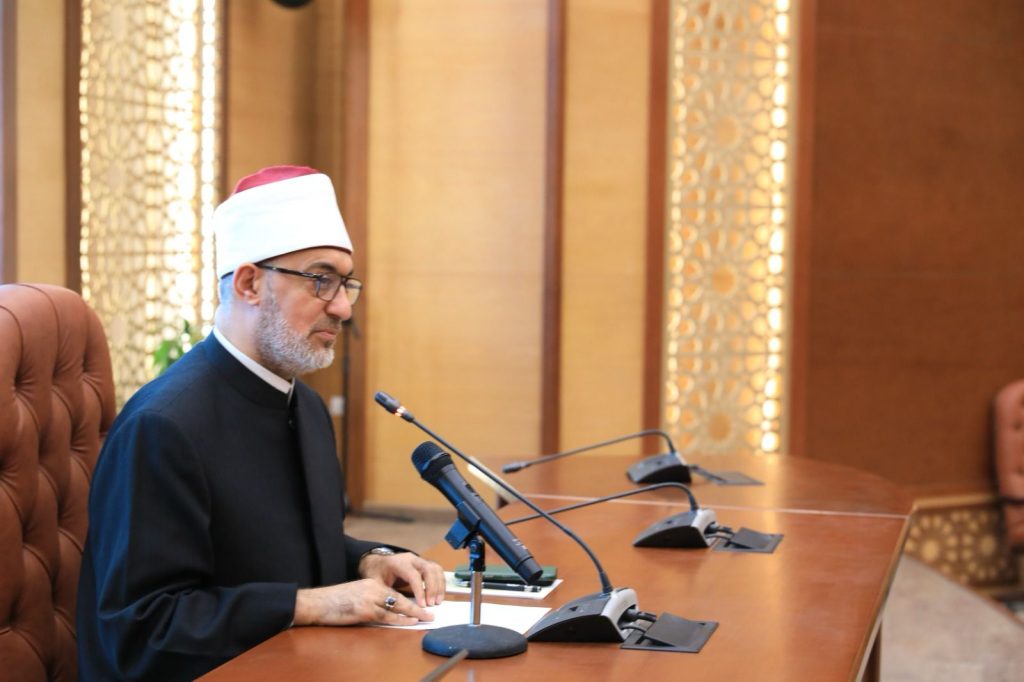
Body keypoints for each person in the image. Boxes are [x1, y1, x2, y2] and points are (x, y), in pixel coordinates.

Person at [77, 165, 446, 681]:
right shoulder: (163, 426)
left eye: (346, 283)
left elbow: (274, 552)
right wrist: (310, 605)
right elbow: (141, 629)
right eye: (321, 280)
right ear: (250, 283)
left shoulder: (306, 407)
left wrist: (370, 559)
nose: (343, 307)